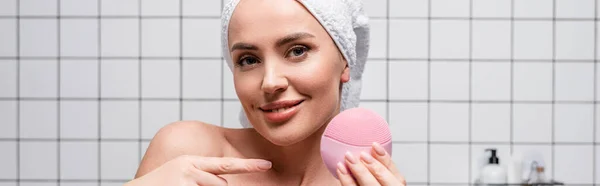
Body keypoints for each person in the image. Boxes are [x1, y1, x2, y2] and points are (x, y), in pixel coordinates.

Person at [125, 0, 406, 185]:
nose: (270, 82)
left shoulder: (366, 179)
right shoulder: (188, 152)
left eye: (297, 51)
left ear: (345, 60)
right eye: (248, 60)